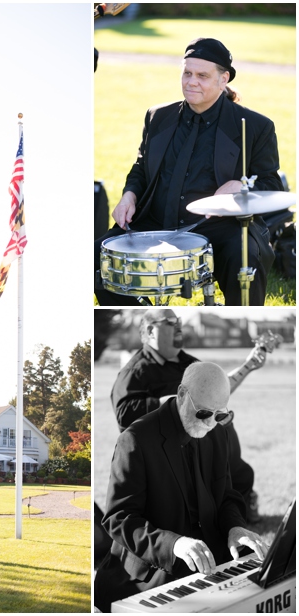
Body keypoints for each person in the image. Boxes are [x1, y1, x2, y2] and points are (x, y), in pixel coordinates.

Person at [95, 38, 283, 306]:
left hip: (220, 227)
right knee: (95, 258)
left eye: (202, 76)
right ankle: (141, 317)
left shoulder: (255, 126)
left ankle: (240, 330)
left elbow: (272, 183)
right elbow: (141, 167)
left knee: (247, 261)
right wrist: (129, 195)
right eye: (187, 73)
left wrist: (242, 186)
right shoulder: (157, 116)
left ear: (223, 79)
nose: (191, 81)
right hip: (155, 221)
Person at [94, 363, 269, 612]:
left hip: (209, 560)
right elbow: (119, 518)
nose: (210, 423)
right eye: (203, 413)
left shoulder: (219, 433)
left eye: (220, 415)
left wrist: (235, 527)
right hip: (152, 570)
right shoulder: (136, 439)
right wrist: (174, 545)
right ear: (182, 394)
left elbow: (227, 496)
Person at [111, 309, 267, 520]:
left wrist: (248, 366)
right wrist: (174, 403)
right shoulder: (134, 372)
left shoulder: (189, 363)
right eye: (170, 322)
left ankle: (236, 519)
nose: (178, 325)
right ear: (151, 331)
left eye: (179, 321)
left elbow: (214, 389)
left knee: (241, 474)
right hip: (168, 452)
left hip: (205, 444)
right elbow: (124, 414)